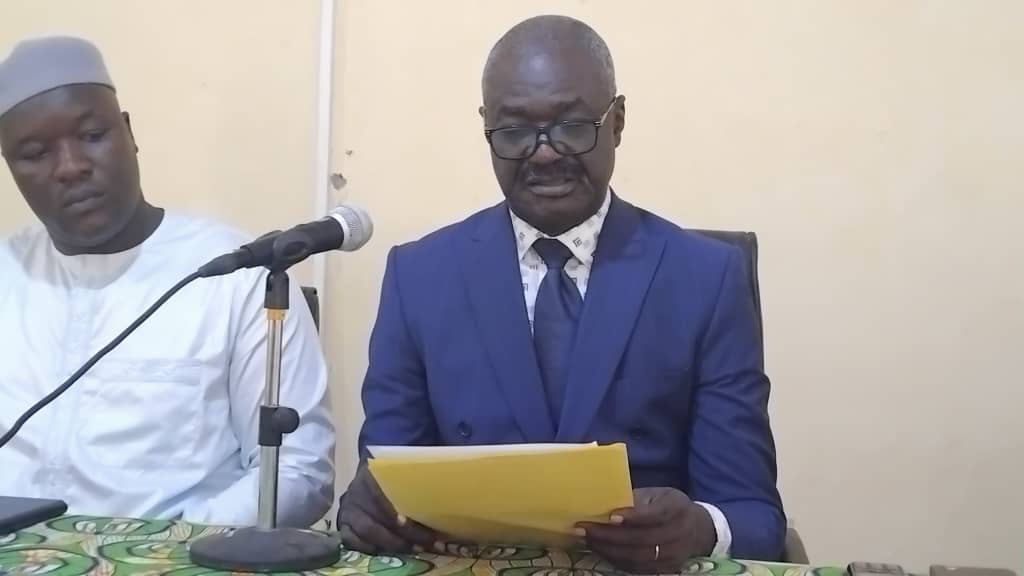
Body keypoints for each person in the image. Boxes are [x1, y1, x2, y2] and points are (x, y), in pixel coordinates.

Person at [337, 14, 785, 571]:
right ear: (486, 129)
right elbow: (383, 481)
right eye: (514, 131)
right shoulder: (419, 277)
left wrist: (700, 526)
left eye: (572, 126)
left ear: (617, 121)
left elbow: (753, 515)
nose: (544, 153)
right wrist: (368, 509)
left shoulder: (705, 277)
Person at [0, 36, 335, 527]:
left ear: (129, 132)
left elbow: (298, 472)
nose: (71, 167)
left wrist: (168, 546)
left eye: (92, 135)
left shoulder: (237, 278)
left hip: (176, 554)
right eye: (35, 153)